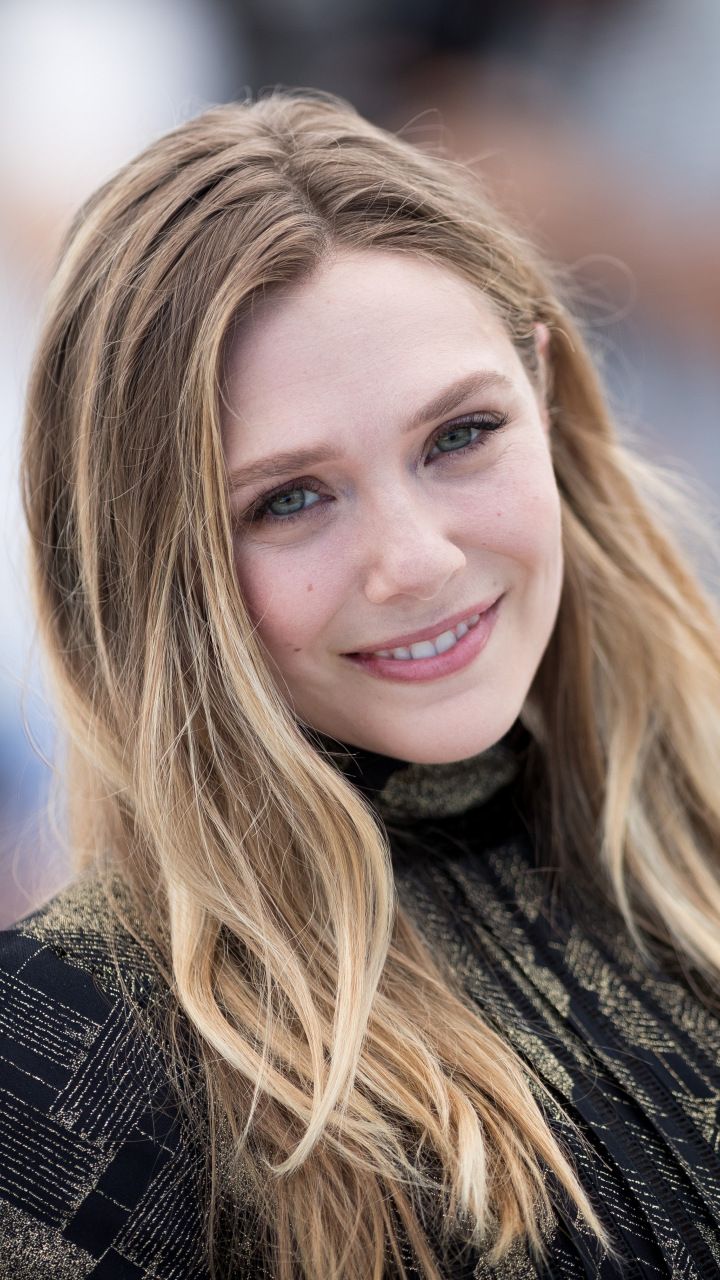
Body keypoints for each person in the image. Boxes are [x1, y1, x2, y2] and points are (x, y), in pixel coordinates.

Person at [1, 89, 719, 1280]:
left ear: (542, 391)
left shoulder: (693, 836)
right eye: (290, 498)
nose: (418, 560)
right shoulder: (63, 1049)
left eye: (459, 435)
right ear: (147, 563)